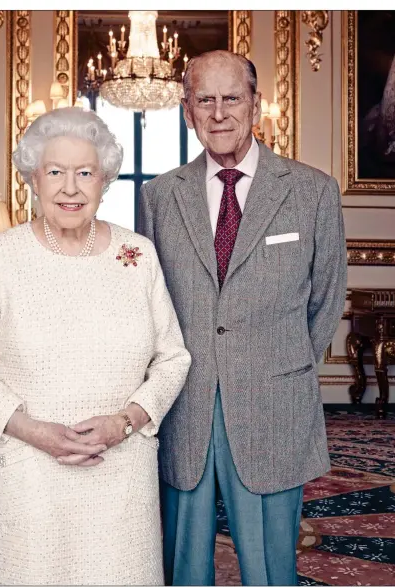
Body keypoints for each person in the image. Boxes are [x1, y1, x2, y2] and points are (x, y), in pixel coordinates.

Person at [0, 107, 191, 585]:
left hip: (121, 467)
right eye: (55, 172)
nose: (70, 187)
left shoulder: (137, 254)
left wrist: (127, 422)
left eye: (85, 173)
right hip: (29, 469)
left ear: (105, 181)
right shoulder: (3, 256)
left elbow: (173, 357)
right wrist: (30, 428)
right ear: (33, 180)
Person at [138, 50, 347, 585]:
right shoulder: (159, 196)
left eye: (232, 98)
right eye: (204, 100)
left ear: (256, 105)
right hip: (185, 402)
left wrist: (281, 362)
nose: (219, 112)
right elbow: (150, 303)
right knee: (182, 560)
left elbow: (325, 299)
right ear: (187, 111)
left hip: (273, 401)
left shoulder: (312, 191)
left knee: (270, 567)